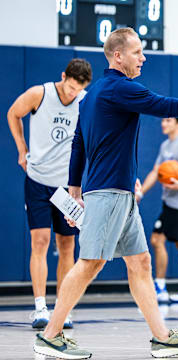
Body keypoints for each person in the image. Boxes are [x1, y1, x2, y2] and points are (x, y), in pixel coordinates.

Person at [33, 27, 178, 359]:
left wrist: (75, 189)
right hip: (108, 194)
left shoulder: (93, 93)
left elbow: (79, 142)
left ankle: (162, 338)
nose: (144, 57)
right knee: (90, 264)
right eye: (138, 52)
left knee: (140, 262)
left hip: (119, 193)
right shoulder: (119, 87)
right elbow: (165, 104)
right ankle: (51, 335)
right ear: (118, 56)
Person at [7, 59, 92, 329]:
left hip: (66, 187)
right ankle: (40, 307)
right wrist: (21, 147)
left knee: (67, 246)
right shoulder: (39, 94)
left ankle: (62, 309)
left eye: (77, 91)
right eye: (68, 88)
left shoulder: (86, 101)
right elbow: (13, 113)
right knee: (40, 242)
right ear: (63, 76)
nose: (71, 94)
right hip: (38, 181)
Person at [137, 116, 178, 303]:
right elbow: (155, 172)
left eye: (168, 120)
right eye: (163, 120)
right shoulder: (166, 145)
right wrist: (140, 193)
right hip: (169, 201)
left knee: (157, 240)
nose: (163, 123)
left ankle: (159, 287)